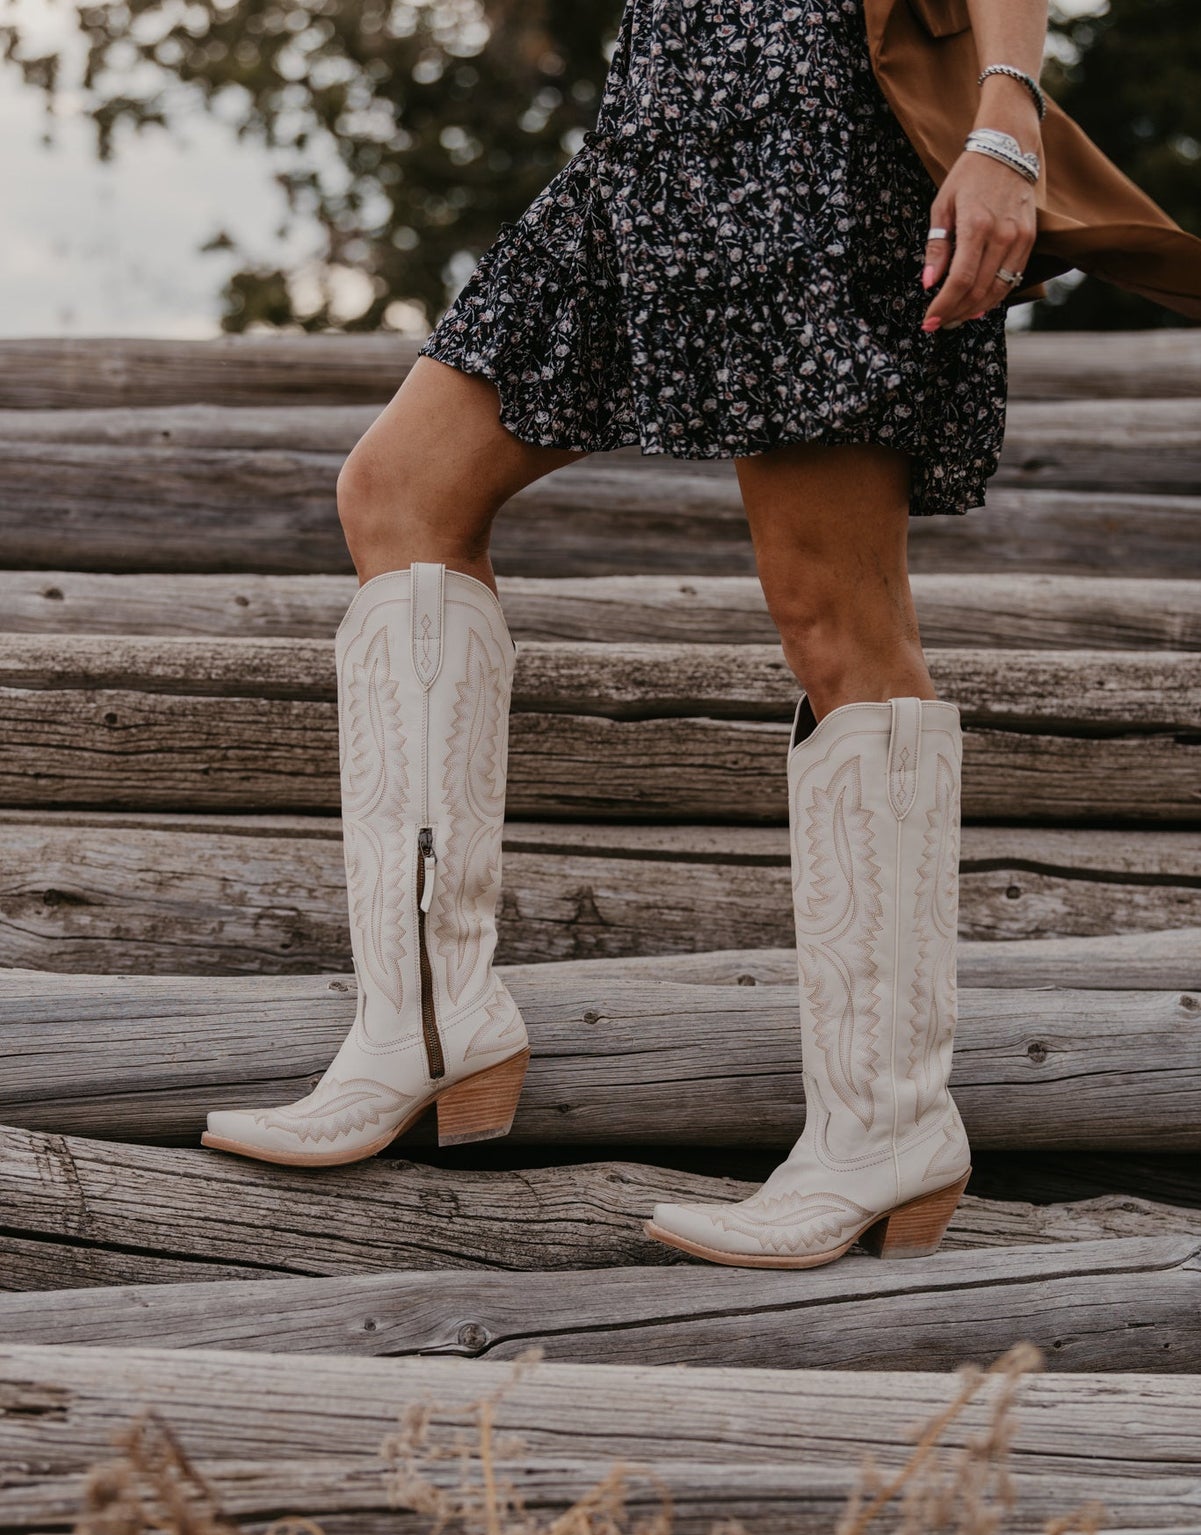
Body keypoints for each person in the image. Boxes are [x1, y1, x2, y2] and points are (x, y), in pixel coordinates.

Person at [203, 0, 1200, 1269]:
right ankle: (426, 1024)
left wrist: (1005, 120)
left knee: (834, 616)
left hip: (813, 121)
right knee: (398, 493)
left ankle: (885, 1126)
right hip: (658, 124)